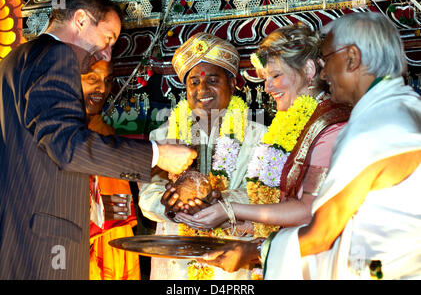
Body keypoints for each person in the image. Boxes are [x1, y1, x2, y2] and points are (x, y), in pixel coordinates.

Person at [202, 12, 421, 280]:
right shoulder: (403, 108)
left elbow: (322, 232)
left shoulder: (370, 129)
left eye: (327, 59)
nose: (324, 71)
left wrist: (256, 249)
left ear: (352, 58)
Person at [0, 0, 195, 280]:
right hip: (48, 241)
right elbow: (67, 146)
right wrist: (158, 154)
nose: (105, 54)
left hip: (19, 233)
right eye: (107, 39)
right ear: (80, 20)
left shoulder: (17, 59)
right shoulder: (57, 54)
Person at [175, 24, 350, 279]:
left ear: (309, 70)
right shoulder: (297, 121)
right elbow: (284, 201)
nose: (267, 87)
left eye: (276, 76)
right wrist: (245, 224)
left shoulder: (330, 125)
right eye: (266, 79)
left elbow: (309, 209)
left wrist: (230, 209)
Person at [138, 32, 267, 280]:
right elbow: (147, 194)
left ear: (232, 83)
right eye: (194, 81)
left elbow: (264, 197)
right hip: (174, 262)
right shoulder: (164, 135)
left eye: (212, 80)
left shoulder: (259, 136)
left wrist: (220, 203)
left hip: (233, 264)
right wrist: (168, 205)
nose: (202, 89)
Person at [80, 59, 140, 280]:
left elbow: (118, 212)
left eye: (108, 80)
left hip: (109, 234)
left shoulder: (104, 132)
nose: (103, 89)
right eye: (92, 79)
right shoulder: (52, 129)